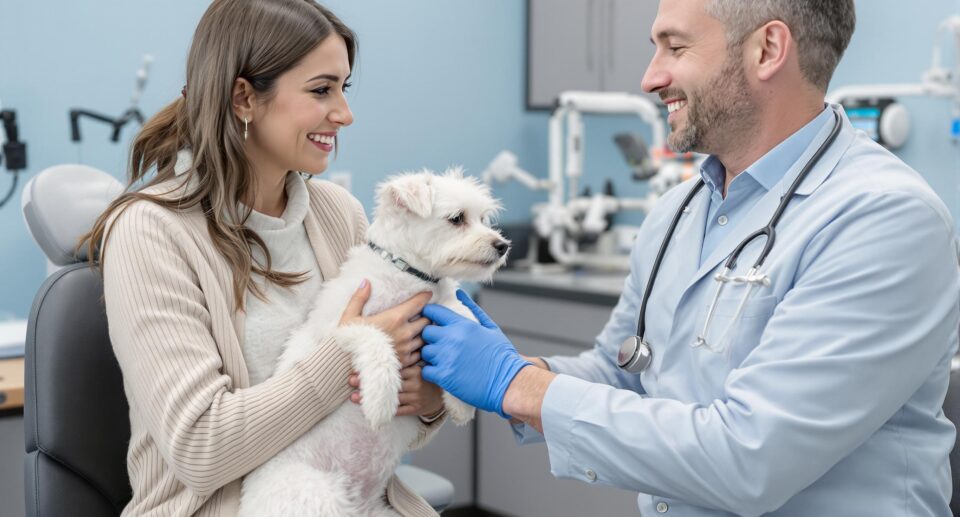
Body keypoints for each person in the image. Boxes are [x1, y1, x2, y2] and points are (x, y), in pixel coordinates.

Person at [419, 1, 960, 515]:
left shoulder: (883, 219)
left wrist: (516, 386)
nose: (650, 78)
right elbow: (624, 369)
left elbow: (750, 458)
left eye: (674, 48)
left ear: (768, 50)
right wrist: (514, 373)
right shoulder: (679, 210)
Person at [83, 1, 446, 515]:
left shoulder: (338, 215)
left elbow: (380, 425)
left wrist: (428, 400)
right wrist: (350, 353)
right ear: (243, 97)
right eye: (322, 90)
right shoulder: (151, 233)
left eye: (344, 88)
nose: (344, 113)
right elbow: (201, 450)